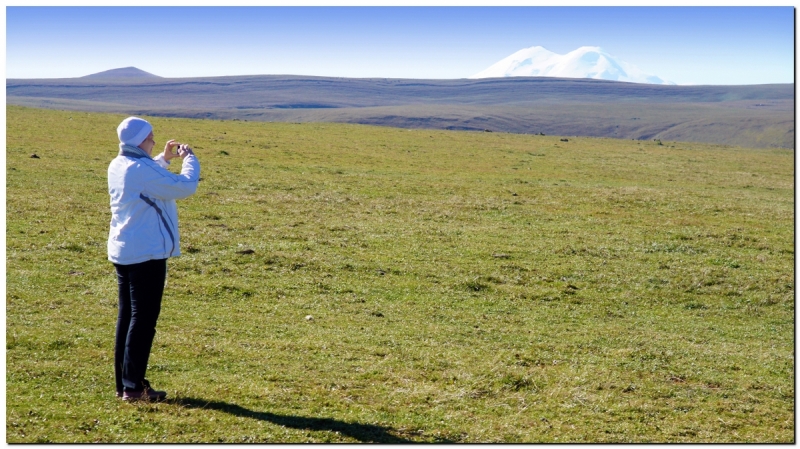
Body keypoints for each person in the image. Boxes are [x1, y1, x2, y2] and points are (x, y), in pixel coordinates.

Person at [108, 116, 200, 401]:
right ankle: (134, 388)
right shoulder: (139, 168)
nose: (154, 141)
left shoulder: (119, 163)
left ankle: (126, 383)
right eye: (151, 138)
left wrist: (163, 158)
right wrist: (190, 159)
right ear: (140, 141)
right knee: (143, 321)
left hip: (124, 250)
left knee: (128, 318)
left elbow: (147, 179)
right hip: (145, 253)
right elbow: (184, 187)